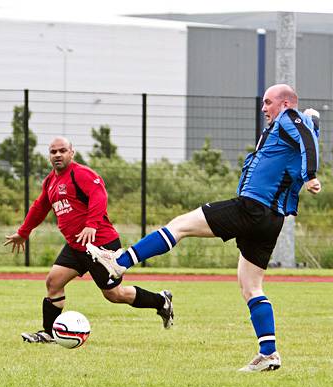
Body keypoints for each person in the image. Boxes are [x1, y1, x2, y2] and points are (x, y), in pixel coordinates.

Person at [87, 84, 321, 372]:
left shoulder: (290, 118)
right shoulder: (289, 128)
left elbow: (307, 137)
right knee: (251, 286)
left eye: (268, 102)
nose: (264, 108)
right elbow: (309, 136)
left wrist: (310, 175)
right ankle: (269, 353)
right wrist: (314, 122)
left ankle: (119, 263)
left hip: (252, 207)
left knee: (180, 225)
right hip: (271, 219)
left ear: (285, 104)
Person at [4, 136, 173, 344]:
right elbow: (40, 207)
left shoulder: (81, 174)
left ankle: (161, 300)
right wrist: (24, 232)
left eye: (62, 150)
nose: (57, 155)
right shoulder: (50, 181)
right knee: (53, 282)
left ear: (71, 153)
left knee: (114, 295)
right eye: (53, 152)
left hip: (100, 246)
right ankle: (49, 333)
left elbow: (98, 195)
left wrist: (91, 224)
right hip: (76, 246)